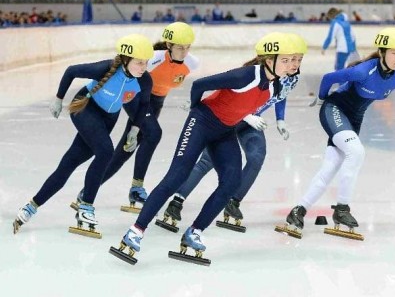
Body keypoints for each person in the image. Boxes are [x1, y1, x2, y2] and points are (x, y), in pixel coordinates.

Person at [110, 32, 301, 265]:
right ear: (269, 60)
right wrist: (195, 111)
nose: (291, 65)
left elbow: (242, 106)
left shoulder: (275, 87)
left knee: (231, 182)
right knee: (176, 176)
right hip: (202, 122)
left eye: (294, 60)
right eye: (286, 60)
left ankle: (194, 232)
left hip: (225, 131)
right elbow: (200, 85)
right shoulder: (246, 76)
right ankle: (136, 231)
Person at [160, 33, 308, 233]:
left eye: (299, 59)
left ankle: (233, 201)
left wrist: (280, 119)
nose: (295, 64)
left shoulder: (291, 76)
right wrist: (247, 116)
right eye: (291, 59)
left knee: (257, 157)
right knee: (207, 161)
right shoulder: (251, 73)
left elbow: (281, 95)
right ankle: (177, 201)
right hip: (232, 118)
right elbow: (231, 100)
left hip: (251, 122)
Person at [13, 34, 154, 237]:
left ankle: (31, 206)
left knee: (69, 163)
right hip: (85, 108)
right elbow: (71, 71)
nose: (144, 67)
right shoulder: (105, 68)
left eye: (146, 62)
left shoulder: (145, 80)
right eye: (139, 62)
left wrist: (134, 129)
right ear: (126, 59)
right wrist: (58, 99)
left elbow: (143, 105)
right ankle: (86, 206)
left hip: (107, 119)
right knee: (105, 151)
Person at [276, 27, 395, 241]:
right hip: (334, 109)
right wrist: (321, 98)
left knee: (331, 166)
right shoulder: (363, 71)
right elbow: (329, 78)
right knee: (356, 152)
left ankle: (298, 210)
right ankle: (342, 209)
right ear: (382, 52)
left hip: (354, 119)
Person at [71, 22, 198, 213]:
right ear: (169, 45)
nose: (185, 51)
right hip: (137, 99)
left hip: (156, 103)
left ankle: (87, 192)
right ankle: (137, 187)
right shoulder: (153, 58)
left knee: (125, 150)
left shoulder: (192, 63)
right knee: (154, 133)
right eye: (180, 47)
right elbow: (127, 72)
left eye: (188, 47)